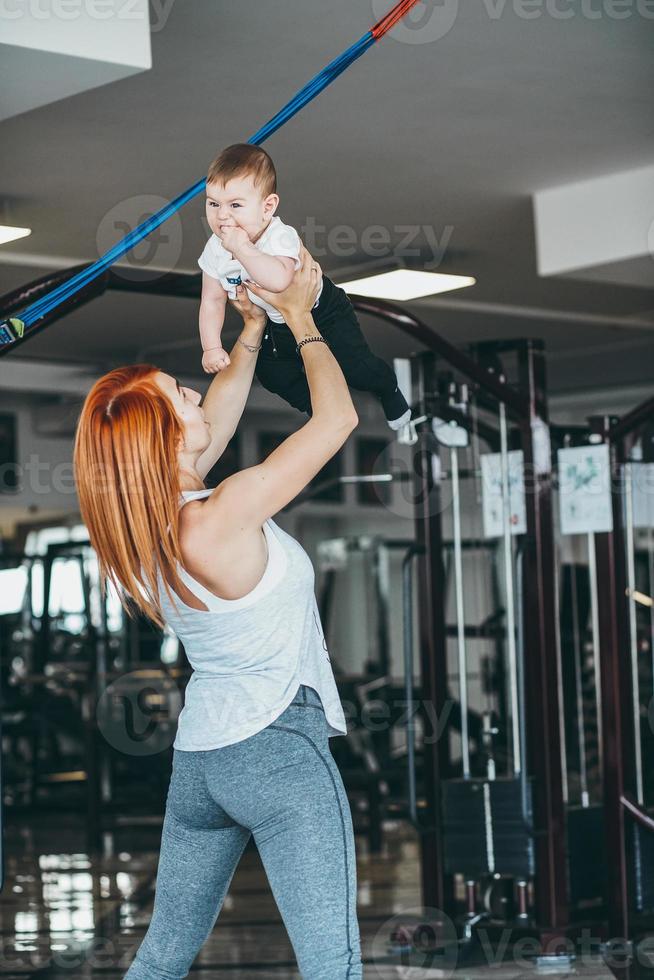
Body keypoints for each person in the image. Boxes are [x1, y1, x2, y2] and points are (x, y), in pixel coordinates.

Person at [73, 247, 363, 979]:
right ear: (166, 435)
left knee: (164, 957)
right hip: (279, 747)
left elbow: (225, 398)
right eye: (181, 395)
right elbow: (338, 418)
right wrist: (302, 318)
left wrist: (251, 328)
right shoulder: (224, 514)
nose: (197, 397)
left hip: (204, 759)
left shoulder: (148, 529)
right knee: (334, 964)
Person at [197, 142, 411, 430]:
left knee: (356, 369)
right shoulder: (215, 248)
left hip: (323, 311)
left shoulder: (278, 236)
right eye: (213, 204)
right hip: (279, 322)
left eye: (235, 205)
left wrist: (242, 248)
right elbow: (211, 300)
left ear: (267, 207)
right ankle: (319, 409)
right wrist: (211, 347)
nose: (222, 216)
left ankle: (388, 388)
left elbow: (279, 281)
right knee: (271, 373)